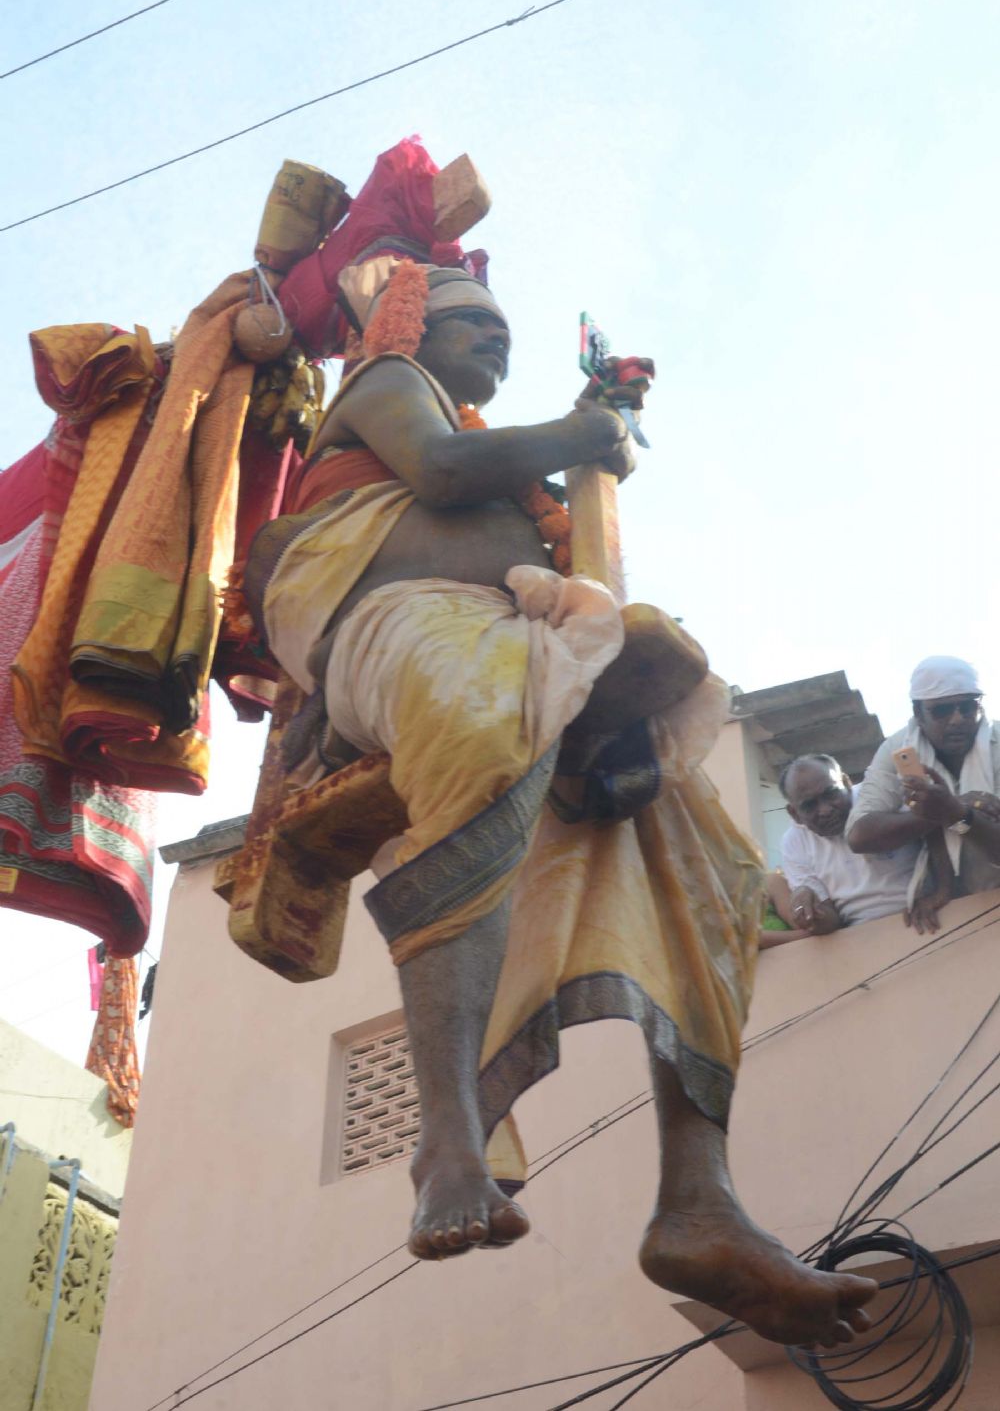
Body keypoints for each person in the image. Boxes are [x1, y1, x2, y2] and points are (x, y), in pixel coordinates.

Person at [246, 259, 875, 1347]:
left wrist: (583, 461)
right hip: (395, 632)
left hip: (518, 643)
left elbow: (497, 477)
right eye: (474, 321)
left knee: (697, 846)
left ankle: (700, 1202)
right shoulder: (388, 385)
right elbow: (442, 471)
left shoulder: (504, 453)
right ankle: (448, 1138)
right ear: (413, 326)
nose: (496, 336)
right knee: (479, 710)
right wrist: (579, 434)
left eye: (504, 327)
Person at [847, 657, 1000, 934]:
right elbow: (860, 836)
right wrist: (947, 811)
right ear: (918, 713)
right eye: (942, 710)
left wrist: (955, 813)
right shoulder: (898, 749)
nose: (958, 719)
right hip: (948, 909)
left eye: (967, 707)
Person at [779, 754, 916, 934]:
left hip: (925, 915)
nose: (825, 810)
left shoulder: (880, 796)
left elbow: (934, 827)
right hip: (860, 934)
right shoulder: (794, 842)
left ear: (846, 783)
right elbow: (831, 921)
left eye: (831, 794)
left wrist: (942, 891)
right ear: (794, 813)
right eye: (809, 805)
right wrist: (811, 914)